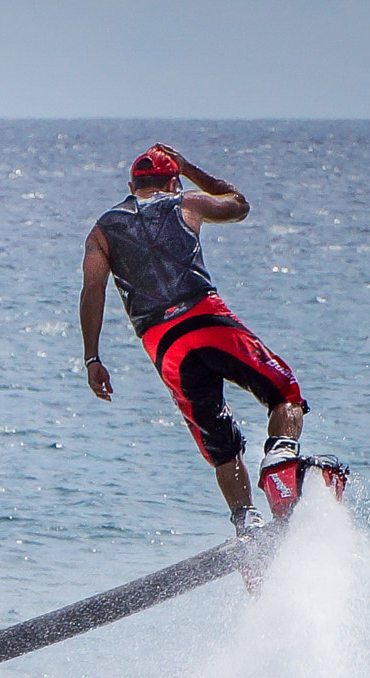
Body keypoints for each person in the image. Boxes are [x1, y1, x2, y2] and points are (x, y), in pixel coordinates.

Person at [79, 143, 309, 536]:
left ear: (131, 185)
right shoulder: (185, 203)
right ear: (172, 181)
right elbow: (238, 204)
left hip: (163, 344)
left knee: (218, 438)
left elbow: (92, 290)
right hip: (206, 319)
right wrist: (192, 170)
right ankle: (280, 458)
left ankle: (246, 520)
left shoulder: (101, 231)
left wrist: (92, 358)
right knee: (284, 392)